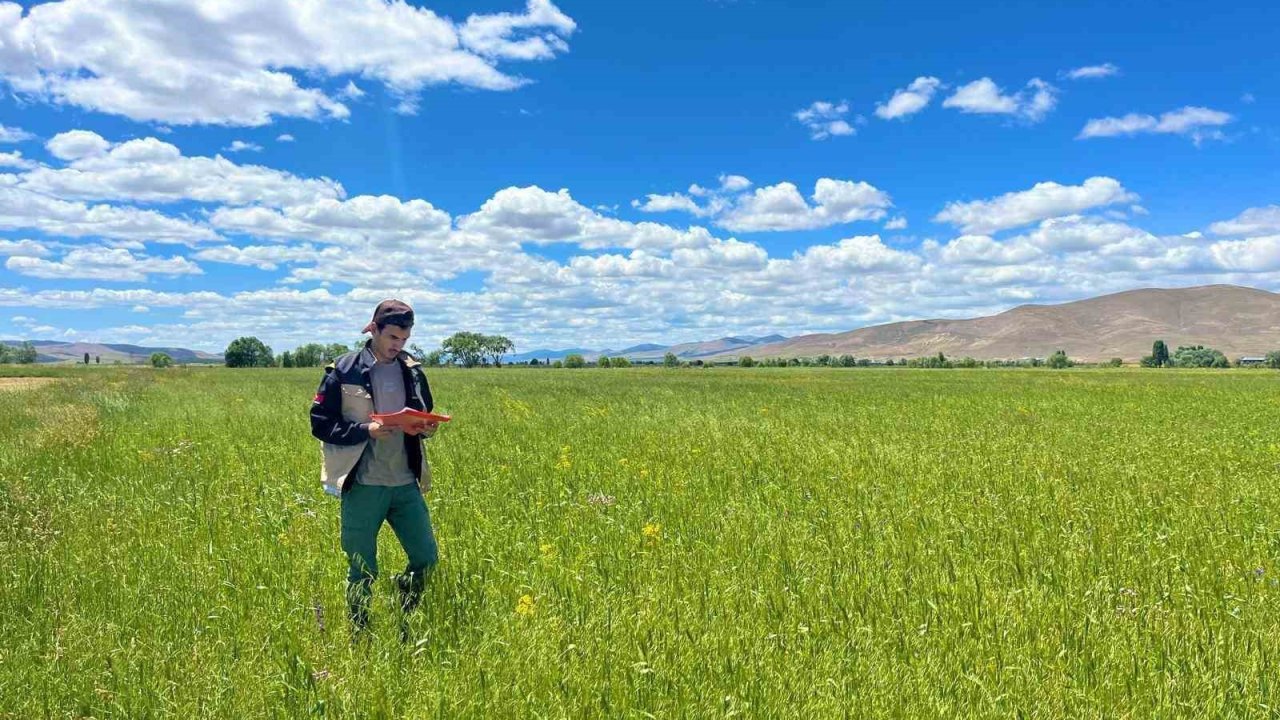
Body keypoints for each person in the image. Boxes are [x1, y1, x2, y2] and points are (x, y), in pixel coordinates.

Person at [309, 299, 440, 635]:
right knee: (362, 570)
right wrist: (366, 430)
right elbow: (321, 423)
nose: (398, 346)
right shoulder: (343, 369)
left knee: (426, 558)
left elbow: (425, 414)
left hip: (405, 483)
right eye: (393, 337)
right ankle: (359, 633)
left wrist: (425, 426)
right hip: (363, 485)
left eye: (404, 340)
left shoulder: (412, 372)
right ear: (374, 329)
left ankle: (406, 609)